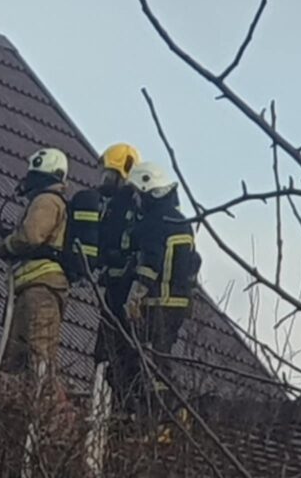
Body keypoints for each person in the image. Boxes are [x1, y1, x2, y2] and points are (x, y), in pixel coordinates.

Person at [123, 161, 200, 431]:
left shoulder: (155, 222)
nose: (136, 200)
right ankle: (167, 416)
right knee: (160, 358)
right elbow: (193, 262)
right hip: (178, 303)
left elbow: (151, 262)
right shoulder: (182, 222)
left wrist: (135, 296)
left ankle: (163, 418)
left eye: (138, 193)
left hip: (158, 302)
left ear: (149, 190)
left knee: (149, 361)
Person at [0, 147, 70, 379]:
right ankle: (17, 396)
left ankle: (39, 397)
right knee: (16, 356)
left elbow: (31, 236)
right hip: (31, 287)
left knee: (39, 355)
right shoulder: (47, 201)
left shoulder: (47, 200)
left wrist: (7, 245)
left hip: (42, 288)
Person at [90, 143, 144, 412]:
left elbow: (125, 245)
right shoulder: (112, 205)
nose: (106, 180)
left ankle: (116, 411)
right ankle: (107, 409)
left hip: (123, 290)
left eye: (110, 174)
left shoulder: (132, 203)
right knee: (107, 350)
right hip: (113, 287)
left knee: (117, 352)